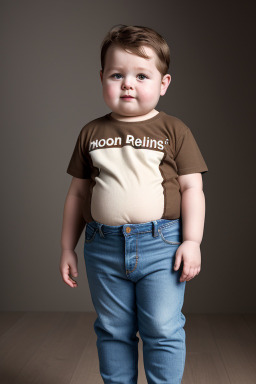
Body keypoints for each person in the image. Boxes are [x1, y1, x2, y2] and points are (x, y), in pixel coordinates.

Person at [60, 24, 208, 384]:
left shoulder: (174, 130)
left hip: (162, 245)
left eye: (141, 75)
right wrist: (67, 247)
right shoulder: (91, 133)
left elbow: (192, 189)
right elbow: (78, 193)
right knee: (112, 328)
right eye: (117, 75)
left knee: (162, 326)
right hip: (103, 247)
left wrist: (192, 241)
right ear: (102, 79)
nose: (128, 83)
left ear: (163, 83)